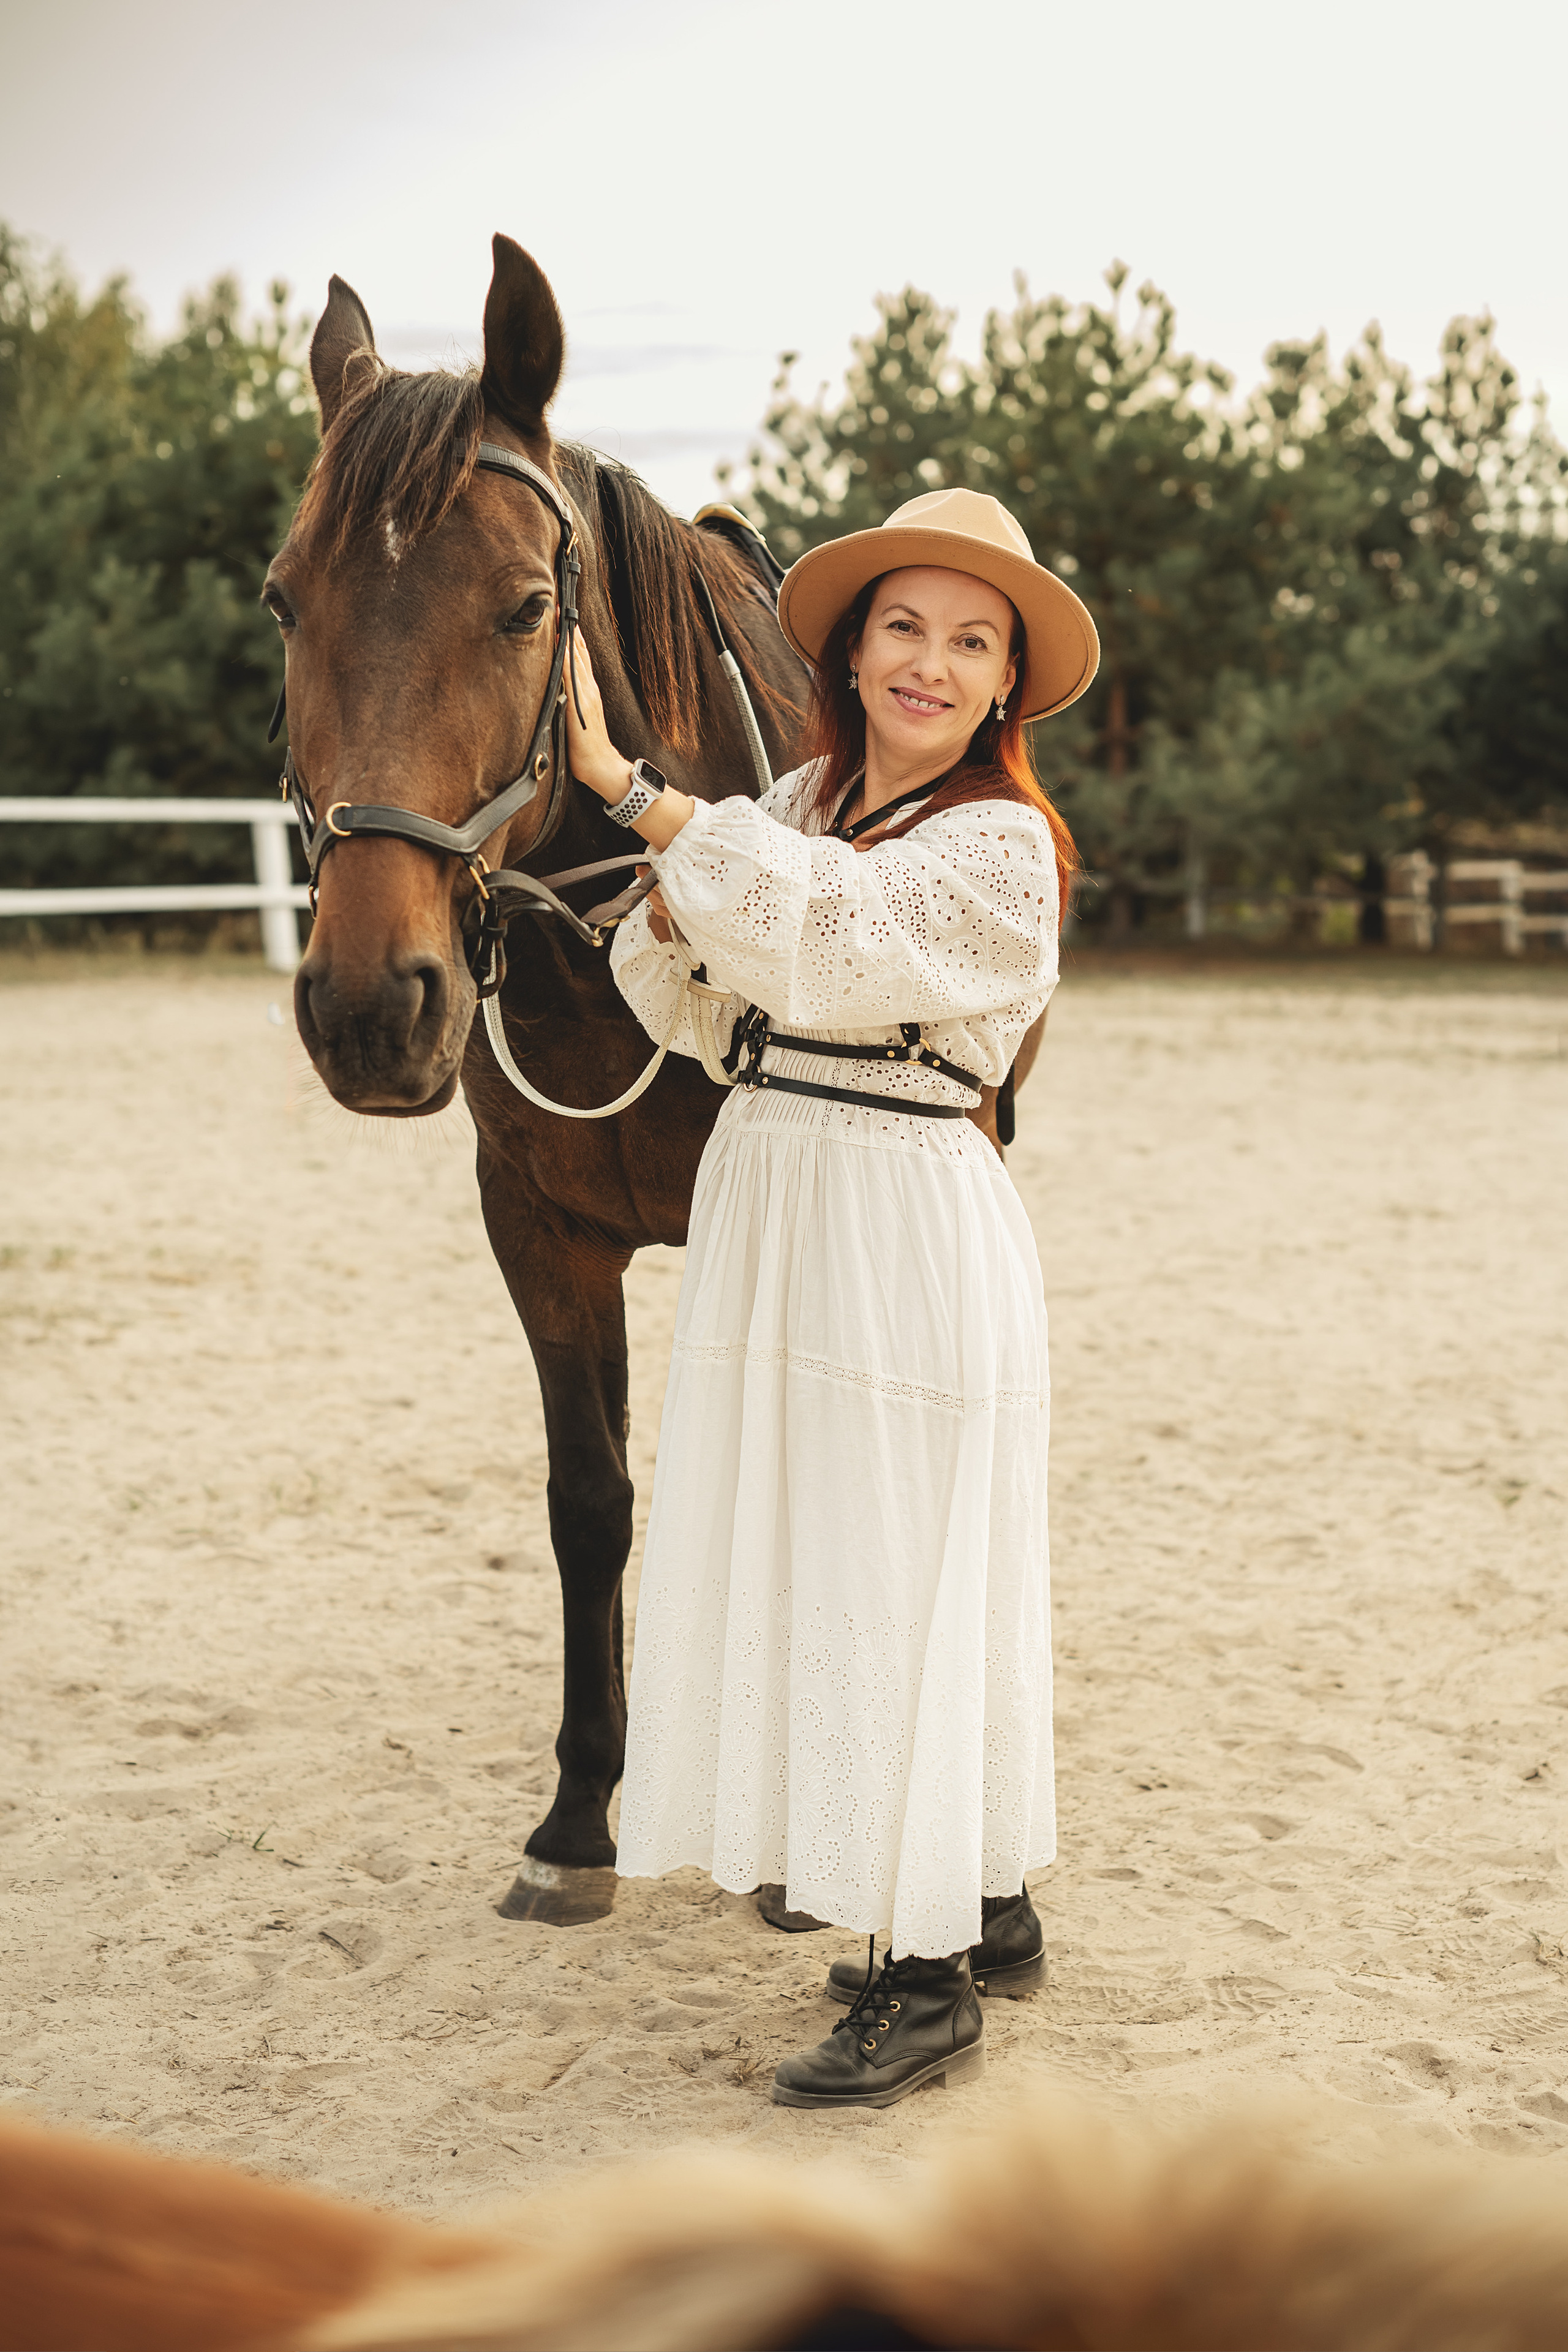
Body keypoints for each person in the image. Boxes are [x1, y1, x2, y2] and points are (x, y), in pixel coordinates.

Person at [562, 488, 1098, 2110]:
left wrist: (645, 805)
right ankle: (981, 1885)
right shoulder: (800, 796)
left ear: (1005, 680)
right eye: (905, 627)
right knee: (832, 1554)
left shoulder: (1002, 845)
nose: (931, 663)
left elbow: (833, 943)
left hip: (900, 1221)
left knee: (897, 1567)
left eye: (972, 640)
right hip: (780, 1193)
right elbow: (697, 988)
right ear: (855, 647)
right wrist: (660, 911)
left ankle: (919, 1978)